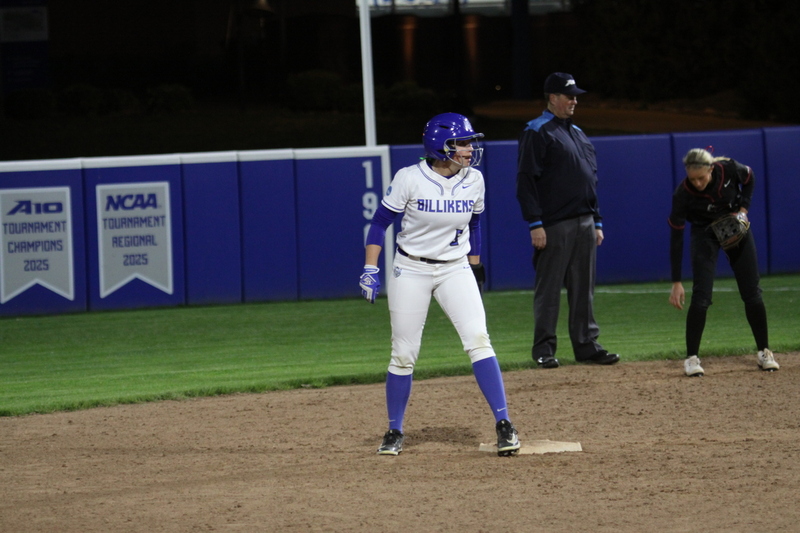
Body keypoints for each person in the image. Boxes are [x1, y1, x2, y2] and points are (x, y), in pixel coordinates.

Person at [359, 112, 521, 457]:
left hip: (454, 268)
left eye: (469, 143)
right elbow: (379, 223)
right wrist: (370, 267)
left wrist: (475, 267)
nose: (468, 149)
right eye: (461, 143)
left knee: (478, 338)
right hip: (411, 268)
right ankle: (394, 429)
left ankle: (504, 423)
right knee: (403, 354)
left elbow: (474, 226)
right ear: (440, 145)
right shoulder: (409, 178)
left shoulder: (474, 179)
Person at [515, 72, 620, 369]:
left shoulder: (577, 133)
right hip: (554, 224)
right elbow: (526, 181)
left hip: (585, 222)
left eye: (576, 95)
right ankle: (544, 349)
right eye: (569, 95)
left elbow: (591, 181)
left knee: (583, 288)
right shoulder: (537, 131)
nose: (575, 100)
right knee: (548, 289)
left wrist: (596, 221)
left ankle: (586, 345)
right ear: (552, 98)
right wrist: (535, 222)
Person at [668, 147, 779, 377]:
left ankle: (764, 352)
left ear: (710, 168)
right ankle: (691, 359)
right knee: (701, 296)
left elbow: (750, 178)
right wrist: (676, 280)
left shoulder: (728, 168)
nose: (697, 183)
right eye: (693, 178)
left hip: (734, 225)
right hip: (704, 234)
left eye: (702, 177)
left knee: (752, 292)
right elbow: (676, 237)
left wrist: (743, 210)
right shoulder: (683, 194)